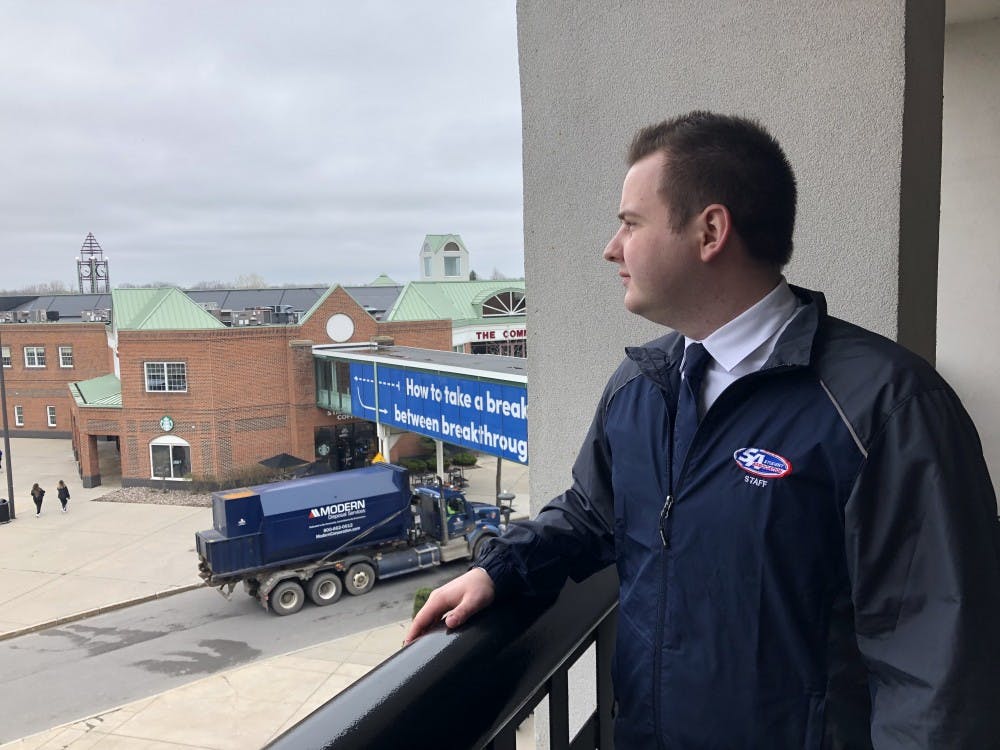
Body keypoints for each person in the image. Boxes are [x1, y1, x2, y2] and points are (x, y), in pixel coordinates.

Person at [406, 111, 1000, 748]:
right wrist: (499, 570)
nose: (612, 248)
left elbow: (940, 675)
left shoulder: (887, 407)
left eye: (631, 223)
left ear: (711, 230)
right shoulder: (640, 387)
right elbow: (591, 513)